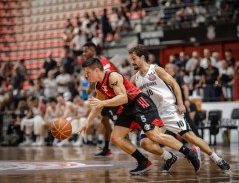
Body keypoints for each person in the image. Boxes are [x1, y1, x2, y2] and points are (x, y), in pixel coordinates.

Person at [78, 57, 200, 175]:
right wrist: (87, 122)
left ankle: (189, 153)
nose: (86, 76)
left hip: (140, 104)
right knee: (116, 138)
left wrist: (103, 102)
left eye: (88, 73)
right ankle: (143, 161)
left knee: (154, 136)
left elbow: (123, 97)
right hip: (128, 109)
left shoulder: (112, 76)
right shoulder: (99, 85)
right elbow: (97, 106)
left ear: (96, 70)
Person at [129, 44, 230, 172]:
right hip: (152, 114)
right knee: (145, 143)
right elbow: (130, 98)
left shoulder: (156, 70)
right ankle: (169, 157)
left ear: (142, 58)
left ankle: (217, 159)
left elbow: (175, 84)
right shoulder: (135, 78)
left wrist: (180, 103)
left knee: (191, 137)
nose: (132, 62)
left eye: (133, 58)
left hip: (168, 109)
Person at [82, 42, 119, 156]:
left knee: (119, 122)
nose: (84, 53)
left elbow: (109, 74)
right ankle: (107, 148)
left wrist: (89, 89)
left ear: (93, 50)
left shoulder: (101, 61)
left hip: (112, 96)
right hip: (104, 96)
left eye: (86, 51)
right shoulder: (96, 62)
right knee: (104, 121)